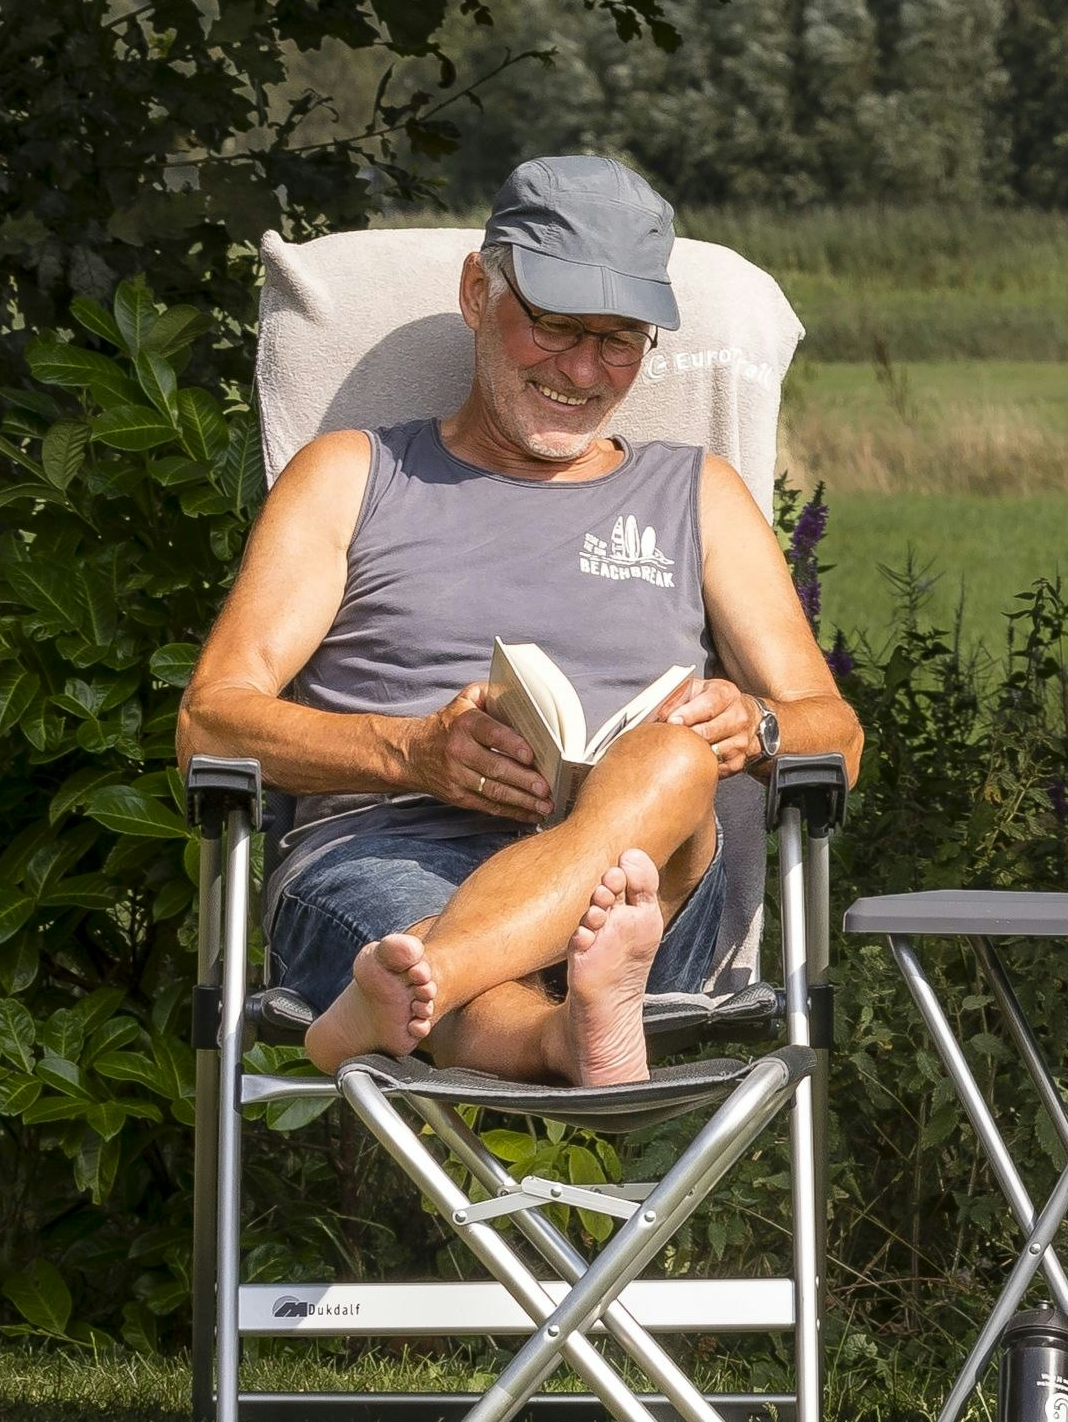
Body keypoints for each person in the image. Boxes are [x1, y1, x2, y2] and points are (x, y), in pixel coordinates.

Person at [179, 156, 861, 1086]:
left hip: (638, 890)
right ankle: (574, 1033)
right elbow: (209, 721)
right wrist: (409, 752)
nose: (582, 371)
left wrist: (759, 724)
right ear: (475, 289)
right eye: (552, 325)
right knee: (445, 949)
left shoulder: (695, 493)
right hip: (389, 853)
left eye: (619, 340)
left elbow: (837, 733)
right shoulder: (352, 475)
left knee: (672, 759)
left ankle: (419, 979)